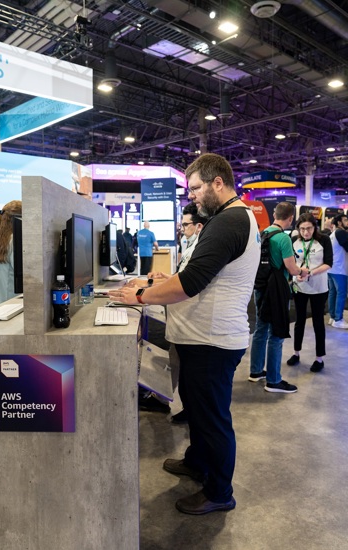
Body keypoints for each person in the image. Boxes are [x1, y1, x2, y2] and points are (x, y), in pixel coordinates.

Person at [109, 153, 260, 515]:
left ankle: (219, 491)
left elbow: (191, 284)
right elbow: (199, 274)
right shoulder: (226, 219)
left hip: (212, 340)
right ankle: (197, 462)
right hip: (200, 337)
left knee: (212, 419)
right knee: (196, 409)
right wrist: (160, 280)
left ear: (217, 183)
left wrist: (141, 295)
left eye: (194, 188)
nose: (190, 195)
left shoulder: (230, 221)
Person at [137, 203, 207, 418]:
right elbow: (184, 277)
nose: (182, 229)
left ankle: (189, 409)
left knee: (190, 370)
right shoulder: (190, 245)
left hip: (193, 319)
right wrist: (167, 279)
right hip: (182, 318)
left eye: (185, 225)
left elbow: (190, 284)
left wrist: (142, 295)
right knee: (177, 361)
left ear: (198, 226)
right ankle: (164, 400)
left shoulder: (200, 248)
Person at [249, 202, 310, 393]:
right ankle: (274, 380)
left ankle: (256, 371)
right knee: (277, 332)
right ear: (291, 218)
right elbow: (292, 269)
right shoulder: (283, 239)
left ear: (275, 214)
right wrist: (303, 271)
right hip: (276, 289)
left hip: (261, 286)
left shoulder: (263, 233)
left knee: (261, 328)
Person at [286, 213, 333, 372]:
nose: (306, 232)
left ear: (315, 227)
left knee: (318, 322)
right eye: (302, 229)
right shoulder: (294, 240)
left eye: (309, 228)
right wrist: (296, 273)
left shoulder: (324, 240)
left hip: (319, 288)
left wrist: (310, 273)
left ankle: (319, 358)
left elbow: (328, 263)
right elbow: (291, 262)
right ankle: (296, 353)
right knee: (299, 321)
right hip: (300, 287)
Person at [328, 213, 348, 329]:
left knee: (333, 293)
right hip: (339, 269)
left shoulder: (333, 234)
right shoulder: (340, 233)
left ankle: (333, 317)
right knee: (341, 293)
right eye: (345, 220)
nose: (347, 222)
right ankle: (338, 319)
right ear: (339, 222)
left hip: (332, 268)